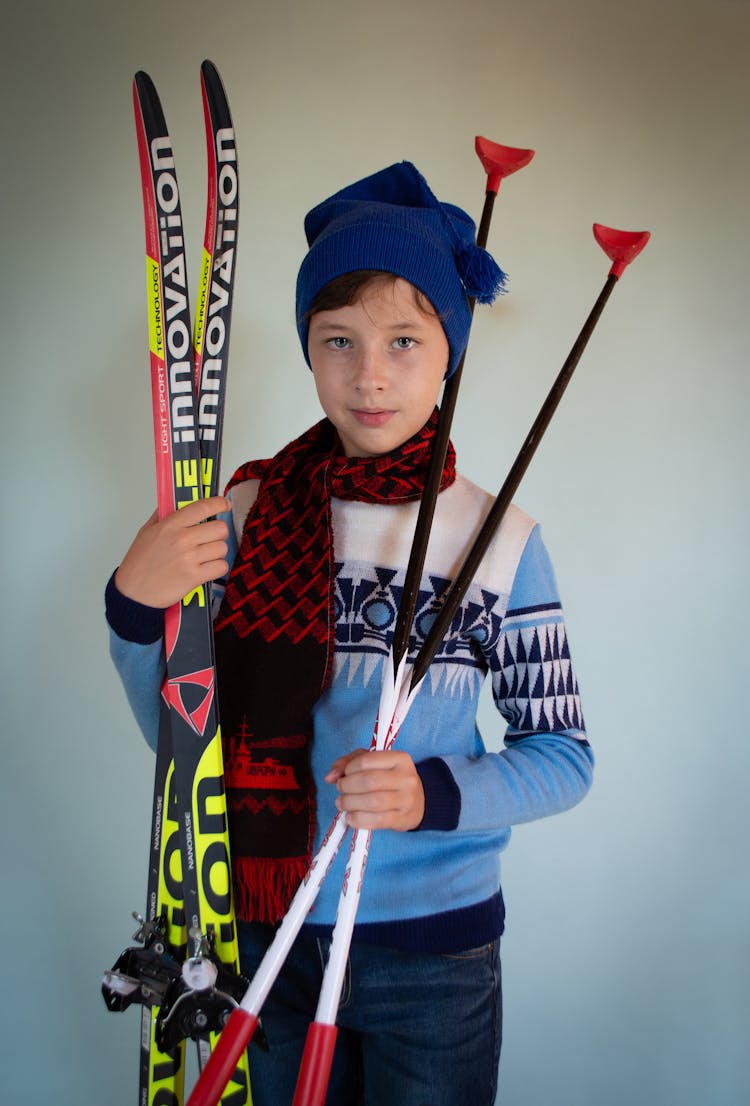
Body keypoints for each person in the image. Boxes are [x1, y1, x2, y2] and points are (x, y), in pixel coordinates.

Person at [106, 161, 593, 1106]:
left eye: (405, 341)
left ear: (449, 350)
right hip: (258, 937)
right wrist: (134, 604)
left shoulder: (500, 543)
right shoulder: (246, 514)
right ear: (308, 351)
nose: (370, 376)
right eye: (338, 341)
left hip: (436, 954)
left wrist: (431, 793)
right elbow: (178, 743)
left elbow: (564, 757)